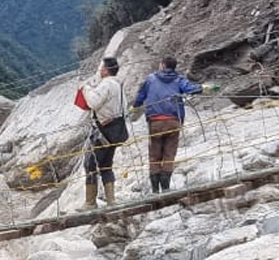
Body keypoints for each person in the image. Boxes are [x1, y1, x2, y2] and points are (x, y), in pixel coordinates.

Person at [131, 56, 203, 193]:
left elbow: (140, 96)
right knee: (169, 154)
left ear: (163, 65)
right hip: (173, 121)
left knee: (154, 155)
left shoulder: (151, 79)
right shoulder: (179, 79)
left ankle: (155, 190)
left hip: (155, 122)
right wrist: (204, 88)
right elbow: (191, 89)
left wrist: (134, 107)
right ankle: (165, 187)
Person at [80, 56, 125, 209]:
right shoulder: (118, 85)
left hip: (103, 129)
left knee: (90, 163)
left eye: (101, 68)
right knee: (106, 165)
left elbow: (93, 102)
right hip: (116, 129)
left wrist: (85, 89)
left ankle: (90, 202)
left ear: (105, 70)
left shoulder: (106, 84)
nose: (99, 71)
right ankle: (111, 200)